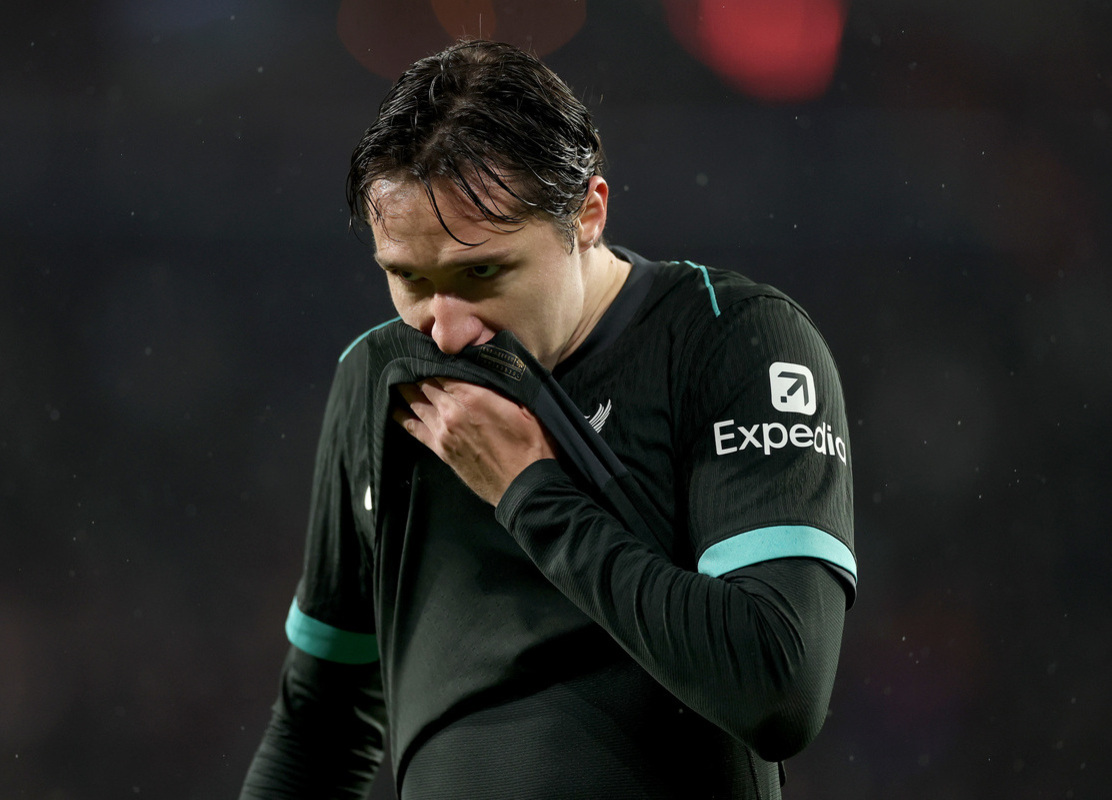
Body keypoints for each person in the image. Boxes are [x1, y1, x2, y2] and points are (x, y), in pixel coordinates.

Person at [240, 39, 856, 800]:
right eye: (410, 280)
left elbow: (777, 690)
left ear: (588, 213)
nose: (446, 328)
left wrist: (532, 493)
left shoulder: (732, 341)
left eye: (482, 273)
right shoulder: (377, 380)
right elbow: (318, 728)